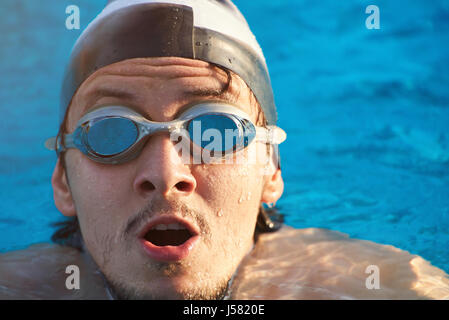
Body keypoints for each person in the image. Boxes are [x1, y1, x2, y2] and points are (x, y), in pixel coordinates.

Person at [1, 0, 448, 300]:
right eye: (111, 132)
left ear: (270, 171)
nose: (165, 171)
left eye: (215, 129)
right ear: (63, 182)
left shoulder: (385, 287)